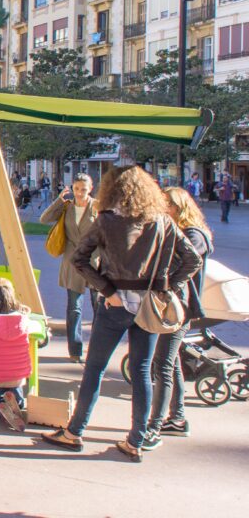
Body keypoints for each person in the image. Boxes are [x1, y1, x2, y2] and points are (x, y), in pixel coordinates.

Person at [43, 165, 201, 462]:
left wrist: (107, 290)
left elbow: (80, 259)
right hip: (149, 305)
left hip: (115, 303)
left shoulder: (106, 220)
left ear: (111, 190)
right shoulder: (162, 221)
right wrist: (164, 287)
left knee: (95, 368)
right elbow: (192, 259)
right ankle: (136, 439)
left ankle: (75, 432)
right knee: (142, 371)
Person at [144, 187, 213, 446]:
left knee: (162, 364)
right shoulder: (181, 231)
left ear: (180, 207)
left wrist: (168, 284)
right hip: (175, 305)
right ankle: (178, 418)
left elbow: (183, 263)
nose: (164, 209)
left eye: (168, 205)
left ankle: (155, 426)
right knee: (170, 363)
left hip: (179, 307)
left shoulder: (194, 235)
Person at [39, 173, 98, 363]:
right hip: (73, 262)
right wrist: (59, 200)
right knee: (74, 308)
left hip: (95, 262)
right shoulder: (67, 207)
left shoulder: (97, 207)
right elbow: (44, 219)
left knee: (99, 308)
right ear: (72, 188)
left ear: (91, 189)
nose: (80, 193)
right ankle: (75, 350)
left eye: (83, 189)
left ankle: (97, 350)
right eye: (76, 189)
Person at [0, 278, 36, 432]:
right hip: (18, 372)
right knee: (16, 390)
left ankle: (1, 405)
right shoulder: (23, 320)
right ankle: (18, 404)